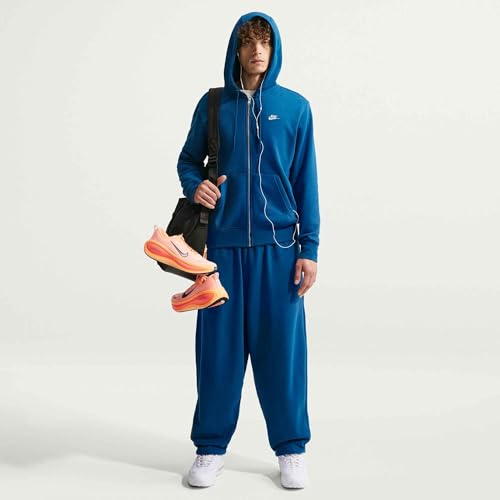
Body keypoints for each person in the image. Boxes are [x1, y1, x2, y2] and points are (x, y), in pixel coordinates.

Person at [176, 11, 320, 489]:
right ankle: (210, 448)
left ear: (274, 49)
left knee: (283, 355)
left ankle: (291, 449)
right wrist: (196, 186)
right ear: (236, 50)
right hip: (220, 251)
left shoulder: (296, 108)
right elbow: (188, 161)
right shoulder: (214, 104)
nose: (257, 50)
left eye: (265, 42)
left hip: (280, 252)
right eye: (248, 42)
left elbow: (306, 181)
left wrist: (309, 248)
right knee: (217, 353)